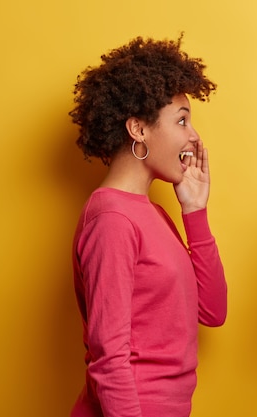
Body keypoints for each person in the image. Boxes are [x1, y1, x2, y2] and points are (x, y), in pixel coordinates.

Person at [68, 36, 227, 417]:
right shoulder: (112, 218)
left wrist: (195, 212)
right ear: (138, 129)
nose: (193, 136)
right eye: (182, 120)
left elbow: (213, 311)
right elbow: (109, 355)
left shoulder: (153, 214)